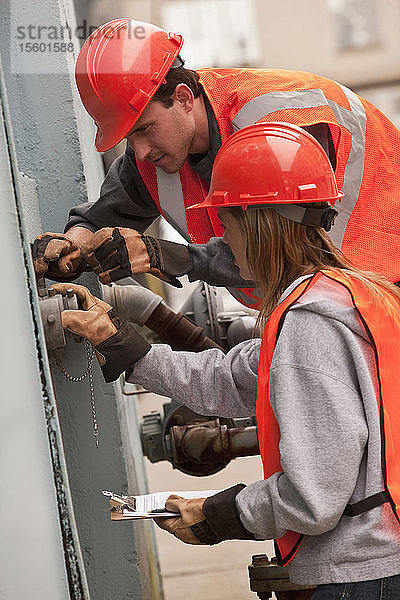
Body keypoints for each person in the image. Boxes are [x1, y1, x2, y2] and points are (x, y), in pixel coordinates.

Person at [52, 122, 400, 599]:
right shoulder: (352, 295)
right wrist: (122, 345)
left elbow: (313, 499)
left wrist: (216, 516)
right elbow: (234, 379)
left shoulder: (310, 324)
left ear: (258, 224)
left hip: (363, 577)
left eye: (228, 225)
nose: (226, 246)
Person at [32, 18, 400, 309]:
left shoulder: (273, 123)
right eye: (128, 137)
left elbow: (280, 249)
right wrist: (73, 245)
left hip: (385, 277)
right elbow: (99, 218)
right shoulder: (153, 156)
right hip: (333, 300)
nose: (140, 151)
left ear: (183, 98)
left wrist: (170, 256)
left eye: (144, 129)